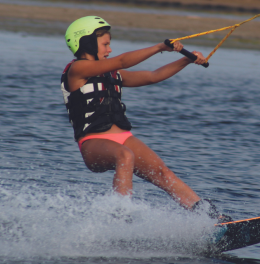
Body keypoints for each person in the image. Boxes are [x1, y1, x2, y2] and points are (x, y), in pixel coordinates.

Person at [61, 16, 230, 222]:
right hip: (92, 144)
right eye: (105, 44)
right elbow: (122, 60)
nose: (109, 49)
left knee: (162, 172)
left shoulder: (114, 75)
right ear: (86, 42)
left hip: (123, 137)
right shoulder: (77, 70)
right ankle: (121, 219)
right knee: (125, 155)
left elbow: (152, 75)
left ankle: (212, 219)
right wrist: (160, 47)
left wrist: (187, 59)